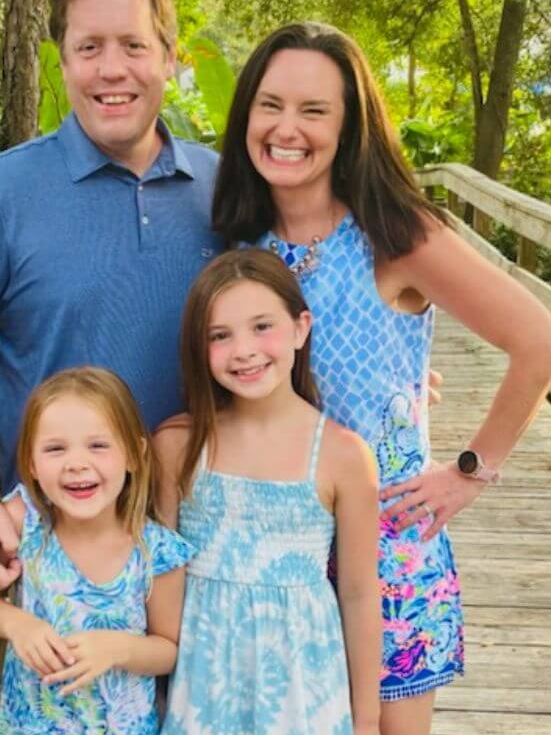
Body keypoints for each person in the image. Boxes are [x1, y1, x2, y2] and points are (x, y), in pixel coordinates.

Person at [212, 23, 551, 734]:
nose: (286, 128)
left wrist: (469, 472)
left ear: (349, 128)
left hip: (387, 548)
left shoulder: (396, 236)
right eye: (270, 105)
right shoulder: (240, 241)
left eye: (314, 111)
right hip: (280, 551)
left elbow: (541, 342)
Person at [0, 0, 222, 596]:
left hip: (213, 546)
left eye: (134, 45)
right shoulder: (2, 193)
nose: (111, 69)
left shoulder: (224, 187)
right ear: (64, 61)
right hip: (64, 565)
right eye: (89, 47)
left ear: (168, 56)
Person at [154, 249, 383, 734]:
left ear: (301, 328)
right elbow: (160, 579)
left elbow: (360, 593)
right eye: (220, 335)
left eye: (262, 327)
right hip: (204, 684)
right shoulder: (178, 445)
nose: (243, 350)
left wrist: (366, 719)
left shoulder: (343, 455)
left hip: (302, 687)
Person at [0, 367, 194, 734]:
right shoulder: (24, 524)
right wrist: (17, 624)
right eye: (55, 449)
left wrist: (118, 649)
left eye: (98, 445)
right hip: (31, 725)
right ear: (32, 464)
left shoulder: (157, 552)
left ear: (134, 454)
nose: (76, 463)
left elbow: (168, 649)